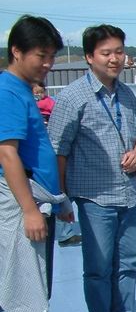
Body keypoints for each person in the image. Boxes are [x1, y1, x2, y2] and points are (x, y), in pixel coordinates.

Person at [48, 24, 136, 312]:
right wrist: (61, 199)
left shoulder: (127, 94)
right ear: (90, 57)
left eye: (119, 52)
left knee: (130, 261)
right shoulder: (72, 97)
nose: (115, 59)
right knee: (99, 266)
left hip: (129, 194)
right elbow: (58, 151)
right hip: (95, 197)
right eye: (106, 53)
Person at [0, 14, 77, 312]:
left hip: (39, 200)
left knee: (38, 287)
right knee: (24, 293)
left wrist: (56, 202)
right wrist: (30, 210)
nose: (48, 64)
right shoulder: (8, 92)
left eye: (51, 56)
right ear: (17, 51)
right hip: (21, 204)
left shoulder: (22, 89)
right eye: (41, 56)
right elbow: (7, 154)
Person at [31, 81, 82, 247]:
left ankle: (64, 232)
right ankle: (64, 232)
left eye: (40, 92)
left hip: (48, 161)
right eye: (35, 93)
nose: (38, 96)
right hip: (43, 165)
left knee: (58, 195)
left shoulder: (46, 105)